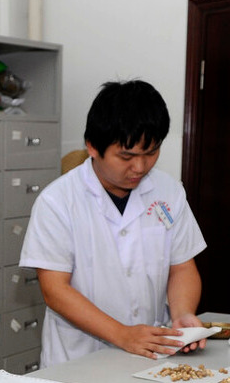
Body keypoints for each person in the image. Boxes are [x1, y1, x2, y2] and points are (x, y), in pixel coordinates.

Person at [19, 79, 207, 365]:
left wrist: (182, 314)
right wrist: (122, 335)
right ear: (93, 146)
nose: (140, 167)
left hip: (150, 354)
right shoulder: (58, 201)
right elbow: (55, 289)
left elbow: (182, 267)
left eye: (151, 153)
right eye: (127, 156)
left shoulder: (168, 192)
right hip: (78, 362)